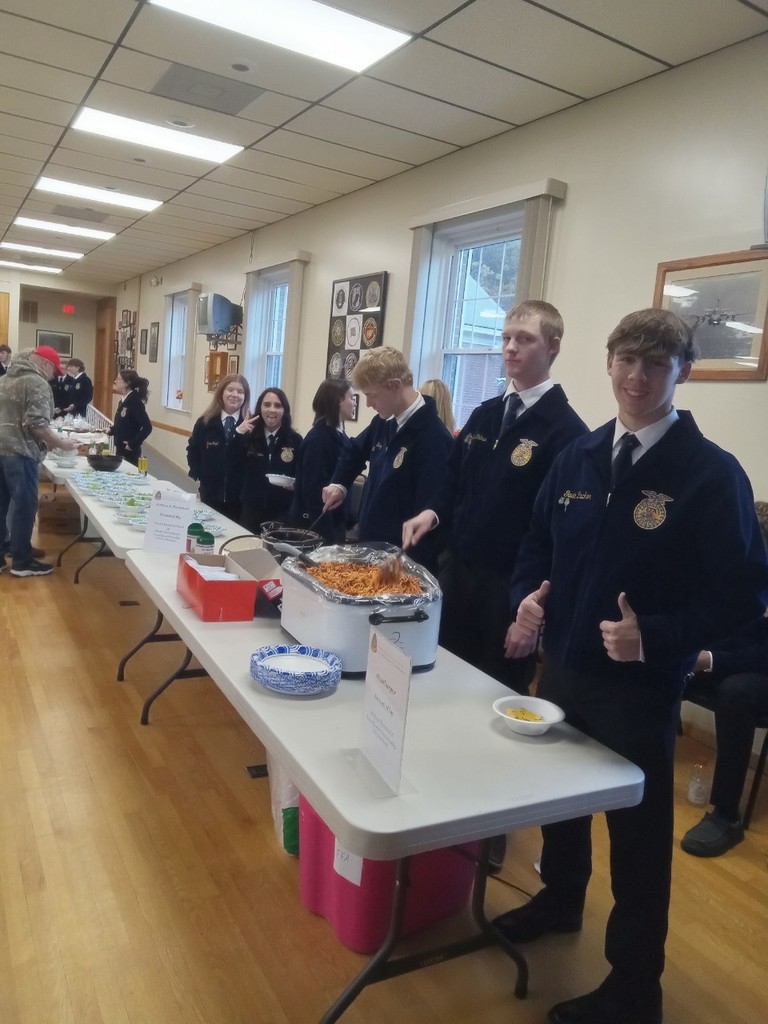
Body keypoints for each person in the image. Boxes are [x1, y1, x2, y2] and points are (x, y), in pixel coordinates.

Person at [496, 308, 767, 1024]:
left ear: (682, 372)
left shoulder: (711, 476)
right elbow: (536, 544)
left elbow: (743, 597)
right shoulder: (579, 458)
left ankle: (634, 989)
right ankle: (558, 900)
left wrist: (659, 639)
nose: (637, 377)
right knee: (559, 808)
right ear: (608, 363)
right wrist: (527, 600)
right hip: (563, 675)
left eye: (656, 364)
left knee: (639, 847)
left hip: (639, 692)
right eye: (626, 361)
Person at [403, 300, 588, 689]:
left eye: (524, 339)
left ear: (552, 346)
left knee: (494, 689)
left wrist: (532, 609)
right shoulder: (485, 414)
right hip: (459, 573)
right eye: (505, 338)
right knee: (441, 676)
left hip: (509, 588)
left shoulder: (567, 432)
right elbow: (452, 481)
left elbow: (557, 533)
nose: (510, 348)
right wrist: (432, 513)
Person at [680, 501, 768, 858]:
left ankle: (726, 816)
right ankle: (631, 759)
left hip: (759, 673)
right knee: (668, 665)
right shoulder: (739, 570)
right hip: (732, 661)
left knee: (735, 694)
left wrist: (712, 660)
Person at [322, 347, 453, 573]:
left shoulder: (434, 438)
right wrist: (339, 484)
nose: (369, 404)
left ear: (395, 386)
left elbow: (429, 513)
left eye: (372, 395)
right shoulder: (384, 422)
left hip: (399, 563)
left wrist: (403, 562)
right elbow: (354, 451)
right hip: (371, 548)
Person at [0, 346, 78, 576]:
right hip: (21, 453)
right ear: (45, 364)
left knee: (2, 505)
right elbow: (37, 425)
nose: (53, 376)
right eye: (54, 370)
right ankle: (22, 562)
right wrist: (62, 443)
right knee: (25, 507)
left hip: (1, 450)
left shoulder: (5, 379)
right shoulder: (37, 383)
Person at [292, 379, 357, 543]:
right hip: (318, 529)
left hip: (334, 523)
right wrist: (327, 536)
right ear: (337, 401)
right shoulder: (319, 440)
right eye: (352, 398)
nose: (355, 403)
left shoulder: (338, 434)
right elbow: (314, 492)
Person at [186, 374, 250, 523]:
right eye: (230, 390)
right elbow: (193, 450)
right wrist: (198, 474)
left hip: (239, 499)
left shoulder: (252, 426)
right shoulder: (205, 422)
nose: (235, 395)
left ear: (245, 396)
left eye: (240, 391)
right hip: (210, 493)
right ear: (221, 393)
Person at [238, 386, 303, 534]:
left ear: (284, 410)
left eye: (278, 406)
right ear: (260, 408)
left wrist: (296, 484)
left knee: (277, 554)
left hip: (282, 511)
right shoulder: (248, 437)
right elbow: (232, 464)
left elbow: (303, 473)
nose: (272, 410)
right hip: (251, 509)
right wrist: (238, 435)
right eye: (267, 405)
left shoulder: (295, 441)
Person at [110, 370, 152, 466]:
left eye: (118, 379)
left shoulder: (134, 402)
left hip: (129, 450)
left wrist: (132, 444)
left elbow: (147, 427)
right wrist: (111, 429)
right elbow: (123, 424)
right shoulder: (123, 401)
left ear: (127, 383)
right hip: (120, 447)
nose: (115, 381)